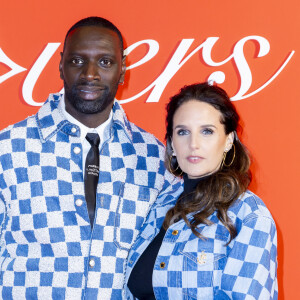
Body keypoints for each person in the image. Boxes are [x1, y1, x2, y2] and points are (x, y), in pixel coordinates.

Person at [0, 17, 182, 299]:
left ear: (123, 70)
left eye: (106, 62)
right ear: (61, 65)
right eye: (77, 61)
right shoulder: (8, 151)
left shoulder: (154, 158)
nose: (90, 74)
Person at [124, 83, 278, 299]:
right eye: (183, 132)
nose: (193, 143)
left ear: (228, 141)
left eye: (207, 131)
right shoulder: (155, 206)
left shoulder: (248, 215)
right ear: (171, 143)